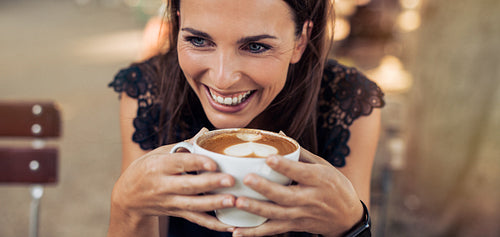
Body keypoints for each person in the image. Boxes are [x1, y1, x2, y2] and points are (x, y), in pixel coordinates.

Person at [108, 0, 384, 236]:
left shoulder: (348, 101)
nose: (222, 79)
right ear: (179, 24)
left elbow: (351, 224)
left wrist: (351, 224)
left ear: (301, 40)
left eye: (255, 46)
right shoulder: (148, 89)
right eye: (198, 40)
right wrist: (127, 207)